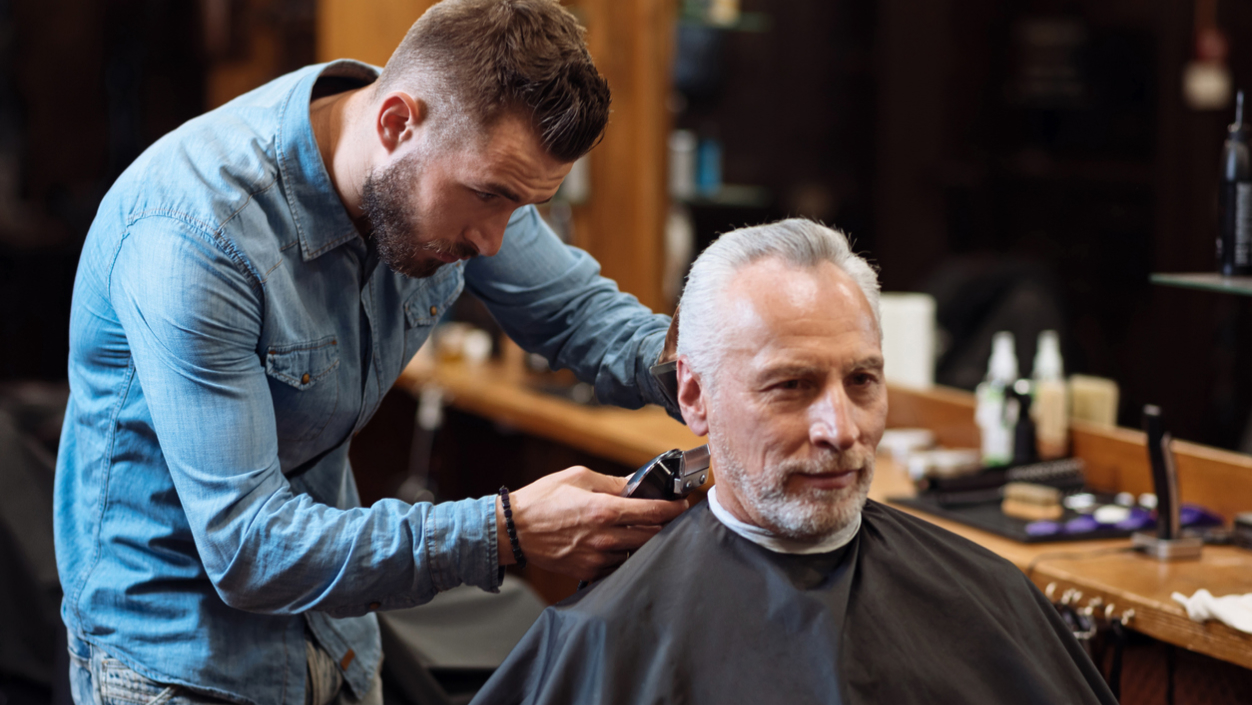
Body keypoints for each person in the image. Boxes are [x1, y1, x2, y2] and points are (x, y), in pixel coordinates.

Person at [54, 2, 688, 704]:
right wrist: (504, 531)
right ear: (396, 124)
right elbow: (247, 547)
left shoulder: (452, 159)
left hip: (336, 638)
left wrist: (719, 370)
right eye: (490, 196)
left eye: (520, 204)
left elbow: (580, 314)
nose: (494, 241)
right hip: (178, 663)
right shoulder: (198, 234)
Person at [471, 219, 1118, 705]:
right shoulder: (604, 636)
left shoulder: (992, 600)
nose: (840, 429)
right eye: (791, 386)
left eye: (862, 381)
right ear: (693, 395)